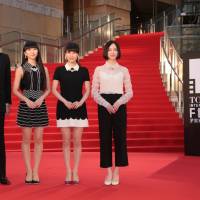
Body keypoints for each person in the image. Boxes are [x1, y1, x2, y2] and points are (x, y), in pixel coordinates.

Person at [91, 40, 133, 186]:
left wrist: (118, 102)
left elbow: (130, 92)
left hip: (120, 104)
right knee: (105, 138)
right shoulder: (98, 69)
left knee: (120, 137)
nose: (113, 52)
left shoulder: (124, 70)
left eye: (115, 49)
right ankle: (108, 171)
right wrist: (106, 103)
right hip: (104, 104)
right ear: (106, 52)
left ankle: (117, 171)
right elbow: (94, 92)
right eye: (110, 49)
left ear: (118, 52)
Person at [52, 42, 90, 184]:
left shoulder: (84, 70)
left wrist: (80, 102)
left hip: (80, 108)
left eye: (74, 52)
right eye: (69, 52)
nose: (71, 55)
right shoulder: (59, 70)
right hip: (63, 108)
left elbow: (87, 89)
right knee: (66, 141)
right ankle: (68, 171)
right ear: (65, 54)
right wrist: (64, 102)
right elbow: (54, 89)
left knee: (77, 141)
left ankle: (76, 171)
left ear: (78, 54)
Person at [13, 41, 50, 184]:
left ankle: (35, 170)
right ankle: (28, 170)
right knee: (26, 140)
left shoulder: (43, 68)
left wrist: (41, 98)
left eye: (35, 49)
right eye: (29, 49)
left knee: (39, 139)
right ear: (25, 53)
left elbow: (47, 89)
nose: (33, 52)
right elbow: (15, 89)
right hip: (25, 105)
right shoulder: (21, 69)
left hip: (40, 105)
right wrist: (26, 100)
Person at [0, 52, 11, 185]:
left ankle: (2, 174)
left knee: (0, 139)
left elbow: (7, 80)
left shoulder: (4, 58)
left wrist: (8, 102)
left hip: (0, 103)